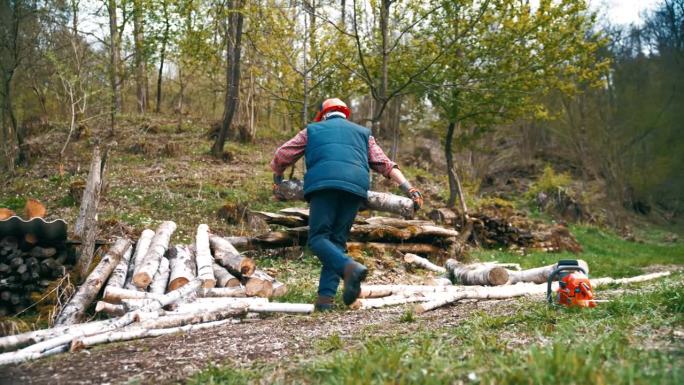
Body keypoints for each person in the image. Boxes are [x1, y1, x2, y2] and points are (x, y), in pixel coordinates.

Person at [270, 98, 423, 311]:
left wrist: (278, 179)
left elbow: (282, 155)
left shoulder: (312, 130)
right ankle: (325, 301)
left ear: (323, 114)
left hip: (324, 185)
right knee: (336, 242)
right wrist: (409, 189)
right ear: (345, 114)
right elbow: (385, 164)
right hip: (355, 188)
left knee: (318, 239)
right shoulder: (363, 134)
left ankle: (348, 268)